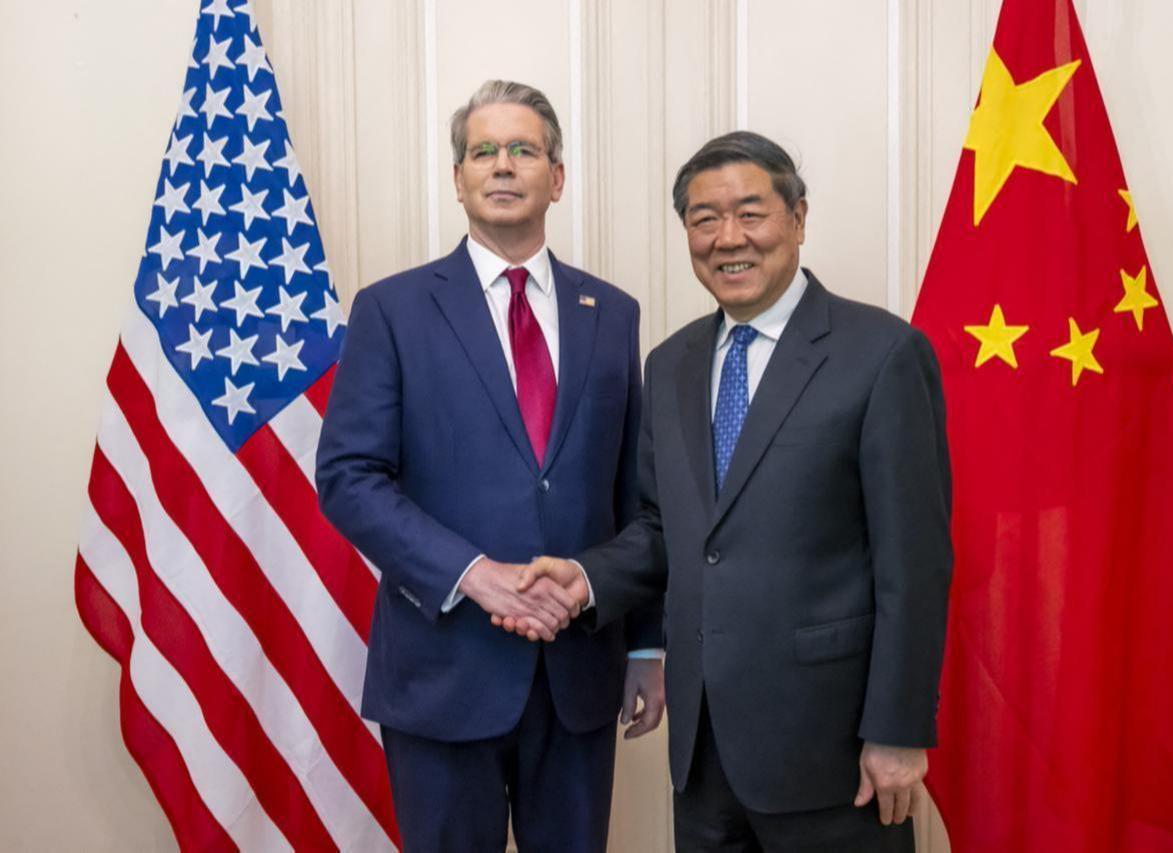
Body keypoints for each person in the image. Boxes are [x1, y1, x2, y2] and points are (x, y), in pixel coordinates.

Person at [511, 131, 953, 852]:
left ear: (798, 219)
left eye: (751, 213)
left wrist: (899, 730)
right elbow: (666, 528)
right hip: (703, 751)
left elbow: (916, 562)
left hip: (835, 751)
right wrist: (588, 577)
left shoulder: (882, 355)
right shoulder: (674, 361)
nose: (727, 238)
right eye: (703, 218)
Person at [316, 79, 664, 853]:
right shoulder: (392, 309)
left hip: (577, 673)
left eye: (524, 150)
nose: (503, 165)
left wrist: (645, 643)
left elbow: (635, 500)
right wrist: (474, 572)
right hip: (442, 673)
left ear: (557, 177)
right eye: (484, 151)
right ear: (460, 177)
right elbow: (349, 476)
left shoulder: (612, 314)